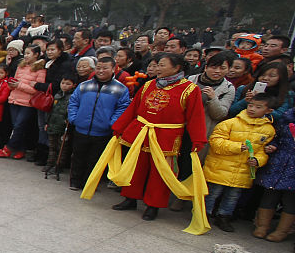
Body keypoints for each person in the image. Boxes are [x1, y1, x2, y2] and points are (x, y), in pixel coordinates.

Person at [86, 53, 208, 226]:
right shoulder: (149, 84)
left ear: (177, 68)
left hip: (166, 137)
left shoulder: (189, 89)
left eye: (162, 65)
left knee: (160, 173)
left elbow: (196, 116)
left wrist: (198, 139)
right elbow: (134, 108)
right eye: (157, 65)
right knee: (135, 167)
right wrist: (119, 127)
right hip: (141, 133)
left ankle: (153, 205)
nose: (158, 68)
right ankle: (130, 198)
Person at [202, 95, 275, 232]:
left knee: (233, 197)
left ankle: (224, 216)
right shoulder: (231, 123)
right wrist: (237, 147)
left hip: (243, 171)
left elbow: (263, 151)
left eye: (258, 107)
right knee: (212, 193)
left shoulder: (269, 130)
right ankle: (203, 214)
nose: (252, 109)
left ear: (269, 110)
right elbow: (215, 141)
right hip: (220, 168)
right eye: (250, 105)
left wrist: (258, 160)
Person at [68, 55, 132, 192]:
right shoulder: (84, 85)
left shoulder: (120, 89)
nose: (101, 71)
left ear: (113, 69)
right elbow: (73, 102)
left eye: (105, 68)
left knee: (95, 159)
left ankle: (89, 183)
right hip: (81, 128)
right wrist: (74, 118)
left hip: (103, 131)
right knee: (78, 156)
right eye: (98, 68)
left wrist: (112, 123)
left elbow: (122, 108)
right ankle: (75, 181)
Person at [254, 104, 295, 241]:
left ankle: (282, 231)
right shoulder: (287, 117)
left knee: (290, 199)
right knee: (270, 193)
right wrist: (273, 146)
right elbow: (277, 137)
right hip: (279, 161)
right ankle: (262, 226)